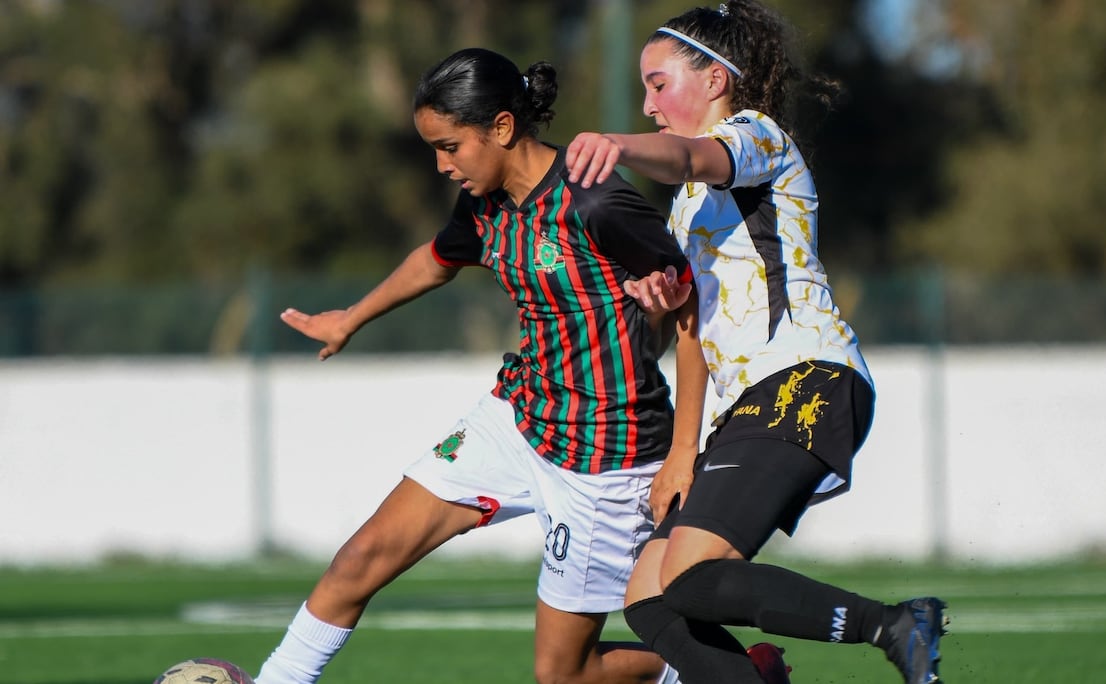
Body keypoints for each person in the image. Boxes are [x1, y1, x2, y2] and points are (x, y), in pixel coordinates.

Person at [254, 47, 709, 684]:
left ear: (501, 127)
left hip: (605, 453)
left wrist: (684, 453)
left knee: (565, 676)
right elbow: (436, 260)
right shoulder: (484, 204)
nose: (442, 166)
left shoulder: (597, 203)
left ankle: (719, 671)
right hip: (517, 417)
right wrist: (349, 318)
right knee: (360, 559)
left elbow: (692, 313)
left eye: (450, 147)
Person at [564, 2, 949, 683]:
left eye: (658, 84)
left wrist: (617, 146)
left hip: (808, 376)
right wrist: (680, 448)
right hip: (750, 404)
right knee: (650, 596)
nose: (648, 104)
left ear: (715, 80)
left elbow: (690, 156)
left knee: (689, 576)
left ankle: (892, 624)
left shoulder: (758, 137)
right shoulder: (686, 207)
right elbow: (690, 332)